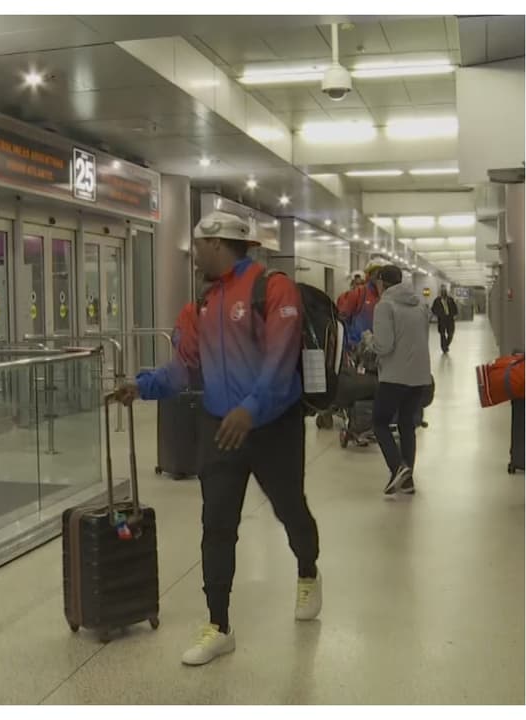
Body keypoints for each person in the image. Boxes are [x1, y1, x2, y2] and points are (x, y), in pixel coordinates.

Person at [113, 211, 321, 667]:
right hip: (219, 426)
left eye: (197, 248)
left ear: (218, 244)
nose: (193, 257)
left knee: (290, 509)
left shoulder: (273, 289)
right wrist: (142, 386)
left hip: (273, 427)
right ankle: (219, 625)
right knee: (217, 524)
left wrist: (252, 409)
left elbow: (280, 359)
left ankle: (307, 569)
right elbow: (183, 368)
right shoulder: (201, 306)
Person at [369, 266, 433, 496]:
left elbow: (384, 345)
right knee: (407, 424)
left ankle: (398, 467)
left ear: (382, 283)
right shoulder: (420, 305)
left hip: (394, 376)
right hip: (420, 376)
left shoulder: (385, 306)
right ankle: (407, 482)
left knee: (379, 422)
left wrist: (369, 341)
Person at [337, 262, 384, 351]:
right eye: (376, 274)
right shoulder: (359, 293)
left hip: (377, 348)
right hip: (357, 347)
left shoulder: (385, 295)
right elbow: (342, 318)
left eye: (381, 275)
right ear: (369, 276)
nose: (378, 277)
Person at [431, 286, 459, 353]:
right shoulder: (437, 300)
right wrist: (438, 314)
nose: (444, 293)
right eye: (442, 292)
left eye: (445, 291)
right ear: (441, 293)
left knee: (450, 334)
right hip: (442, 320)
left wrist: (454, 314)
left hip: (450, 319)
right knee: (442, 334)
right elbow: (433, 309)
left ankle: (446, 345)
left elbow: (455, 308)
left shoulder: (450, 299)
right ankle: (444, 348)